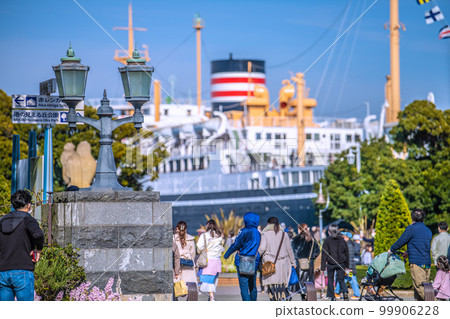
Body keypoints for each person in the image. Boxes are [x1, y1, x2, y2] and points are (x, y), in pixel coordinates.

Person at [0, 190, 44, 301]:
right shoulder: (28, 220)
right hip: (22, 270)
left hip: (2, 270)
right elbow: (38, 234)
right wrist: (38, 249)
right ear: (28, 205)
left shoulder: (2, 221)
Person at [389, 209, 432, 301]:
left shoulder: (411, 228)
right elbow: (419, 244)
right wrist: (408, 252)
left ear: (412, 218)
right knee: (423, 288)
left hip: (416, 262)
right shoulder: (428, 230)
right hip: (427, 263)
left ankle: (437, 305)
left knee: (419, 287)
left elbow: (401, 241)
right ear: (423, 218)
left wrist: (391, 249)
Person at [224, 212, 261, 301]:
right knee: (253, 286)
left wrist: (226, 255)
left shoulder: (244, 231)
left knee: (244, 286)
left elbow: (236, 245)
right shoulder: (258, 233)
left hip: (243, 261)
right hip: (254, 261)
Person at [259, 217, 296, 301]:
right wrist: (293, 262)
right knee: (282, 282)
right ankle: (283, 296)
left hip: (269, 262)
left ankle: (273, 298)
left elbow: (262, 248)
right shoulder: (284, 234)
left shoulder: (265, 234)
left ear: (268, 224)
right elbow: (289, 249)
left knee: (271, 282)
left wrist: (257, 255)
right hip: (283, 262)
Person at [321, 224, 349, 301]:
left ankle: (332, 296)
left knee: (330, 280)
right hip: (341, 262)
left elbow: (324, 254)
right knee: (341, 279)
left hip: (331, 263)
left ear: (329, 231)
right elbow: (346, 253)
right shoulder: (342, 240)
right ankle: (345, 292)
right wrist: (347, 265)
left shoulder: (327, 240)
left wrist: (322, 267)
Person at [196, 220, 223, 301]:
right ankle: (211, 297)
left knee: (208, 280)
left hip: (208, 260)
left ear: (207, 225)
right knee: (213, 279)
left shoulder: (204, 235)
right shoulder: (219, 235)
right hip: (217, 260)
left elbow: (199, 248)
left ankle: (211, 297)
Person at [335, 231, 360, 300]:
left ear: (348, 237)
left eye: (344, 237)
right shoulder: (347, 244)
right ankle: (337, 292)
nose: (342, 238)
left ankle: (357, 294)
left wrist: (349, 267)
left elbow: (350, 258)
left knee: (351, 280)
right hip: (347, 267)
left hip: (348, 267)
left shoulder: (348, 245)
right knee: (343, 279)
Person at [173, 221, 197, 291]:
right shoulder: (190, 239)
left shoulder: (173, 238)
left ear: (177, 228)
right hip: (188, 262)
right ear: (186, 229)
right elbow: (193, 253)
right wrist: (192, 262)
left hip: (176, 263)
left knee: (176, 284)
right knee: (189, 283)